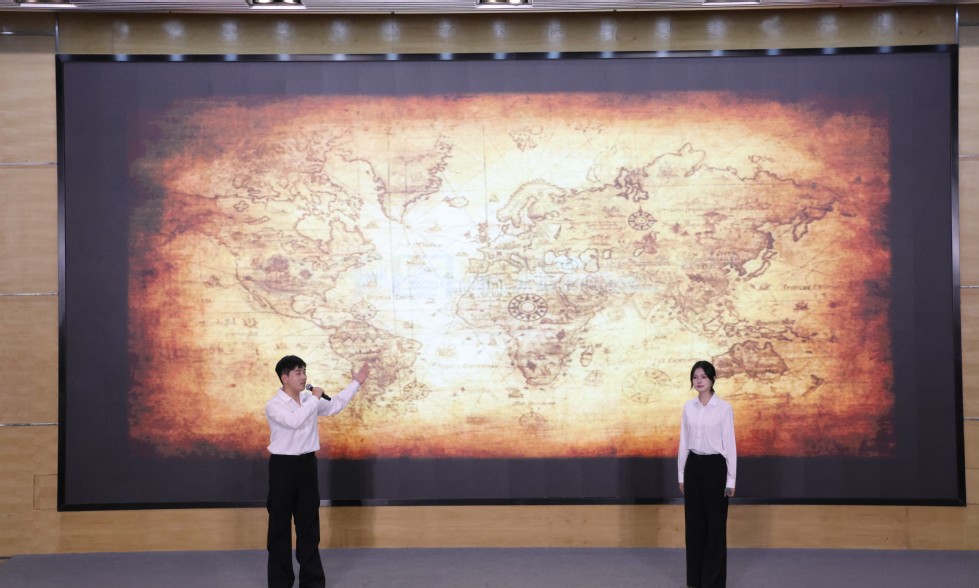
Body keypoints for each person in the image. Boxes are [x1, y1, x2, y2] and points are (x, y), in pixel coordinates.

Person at [265, 355, 370, 588]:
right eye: (298, 373)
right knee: (279, 527)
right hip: (283, 468)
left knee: (309, 526)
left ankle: (312, 582)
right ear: (285, 378)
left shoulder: (308, 399)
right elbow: (294, 421)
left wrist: (355, 383)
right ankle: (280, 582)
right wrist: (314, 399)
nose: (304, 377)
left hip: (307, 466)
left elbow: (335, 406)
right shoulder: (274, 405)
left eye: (304, 371)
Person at [678, 360, 737, 588]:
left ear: (712, 379)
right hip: (693, 467)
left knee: (715, 526)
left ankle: (713, 582)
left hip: (715, 469)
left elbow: (729, 445)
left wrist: (731, 479)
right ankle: (695, 580)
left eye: (703, 376)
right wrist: (681, 475)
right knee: (694, 526)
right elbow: (684, 443)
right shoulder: (688, 407)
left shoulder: (724, 408)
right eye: (695, 377)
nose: (699, 381)